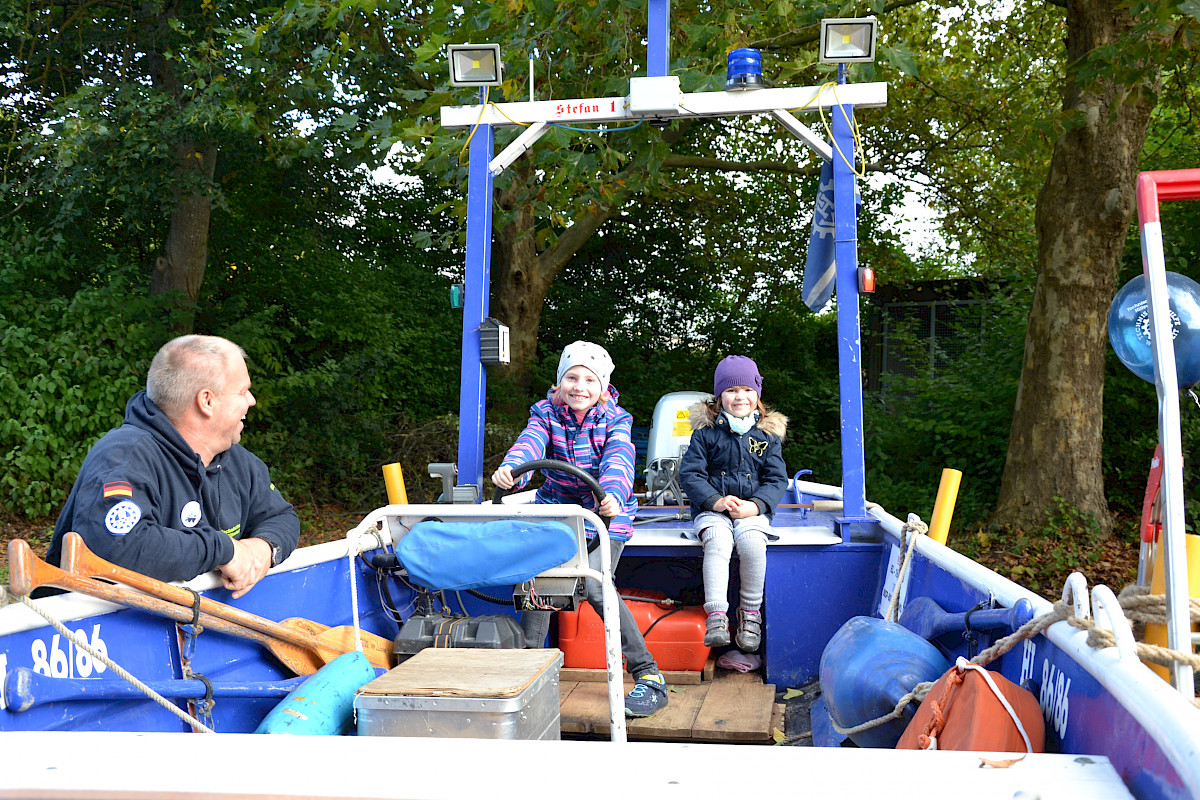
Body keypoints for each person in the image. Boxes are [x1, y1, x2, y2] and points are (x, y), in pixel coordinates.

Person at [46, 335, 300, 598]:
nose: (251, 400)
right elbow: (119, 548)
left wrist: (262, 550)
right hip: (90, 634)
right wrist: (225, 550)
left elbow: (281, 516)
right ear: (207, 402)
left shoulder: (236, 460)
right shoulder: (124, 458)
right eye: (242, 391)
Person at [492, 341, 669, 718]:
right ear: (559, 382)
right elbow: (531, 443)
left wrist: (614, 495)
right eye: (571, 377)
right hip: (556, 512)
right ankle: (528, 669)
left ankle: (648, 674)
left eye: (589, 379)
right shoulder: (545, 413)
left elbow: (620, 459)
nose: (579, 386)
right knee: (537, 579)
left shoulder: (616, 419)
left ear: (603, 387)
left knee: (592, 582)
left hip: (606, 512)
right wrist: (513, 468)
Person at [679, 355, 788, 653]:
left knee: (753, 543)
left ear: (757, 395)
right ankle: (716, 615)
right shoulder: (706, 434)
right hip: (713, 511)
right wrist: (715, 502)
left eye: (747, 390)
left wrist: (756, 506)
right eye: (731, 390)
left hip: (752, 511)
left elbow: (777, 480)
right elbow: (690, 473)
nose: (740, 396)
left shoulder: (768, 436)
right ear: (719, 396)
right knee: (717, 541)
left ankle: (750, 614)